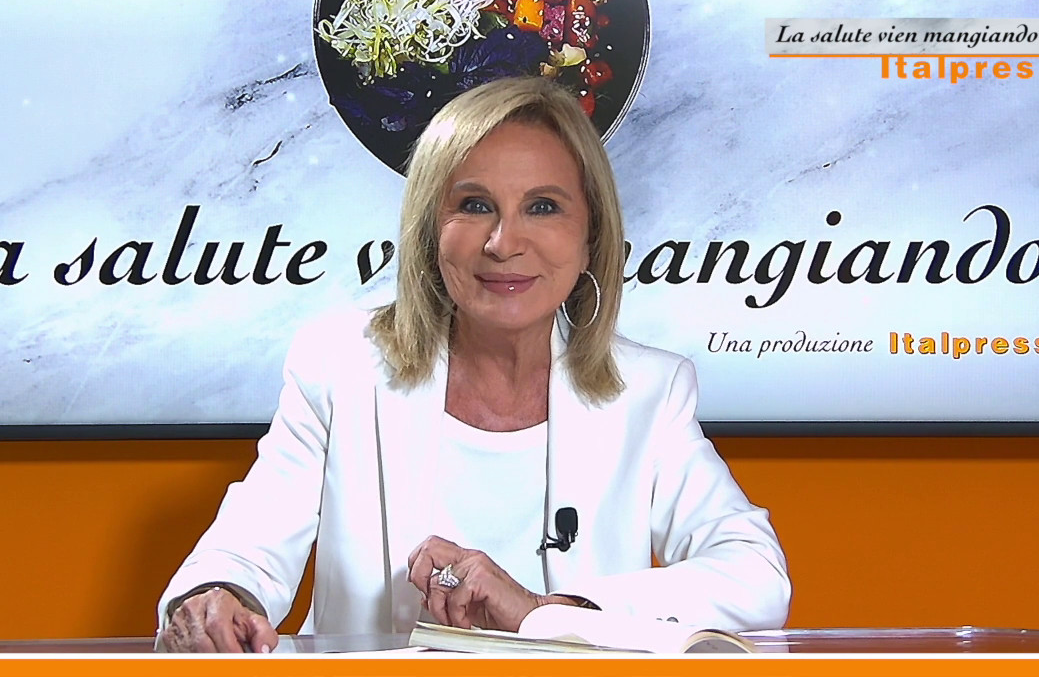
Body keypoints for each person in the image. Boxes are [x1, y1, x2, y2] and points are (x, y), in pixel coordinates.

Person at [156, 77, 790, 653]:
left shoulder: (649, 391)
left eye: (543, 206)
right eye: (475, 204)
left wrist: (548, 612)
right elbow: (248, 546)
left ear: (590, 237)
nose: (503, 243)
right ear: (430, 229)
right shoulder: (338, 365)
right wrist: (219, 597)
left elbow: (755, 574)